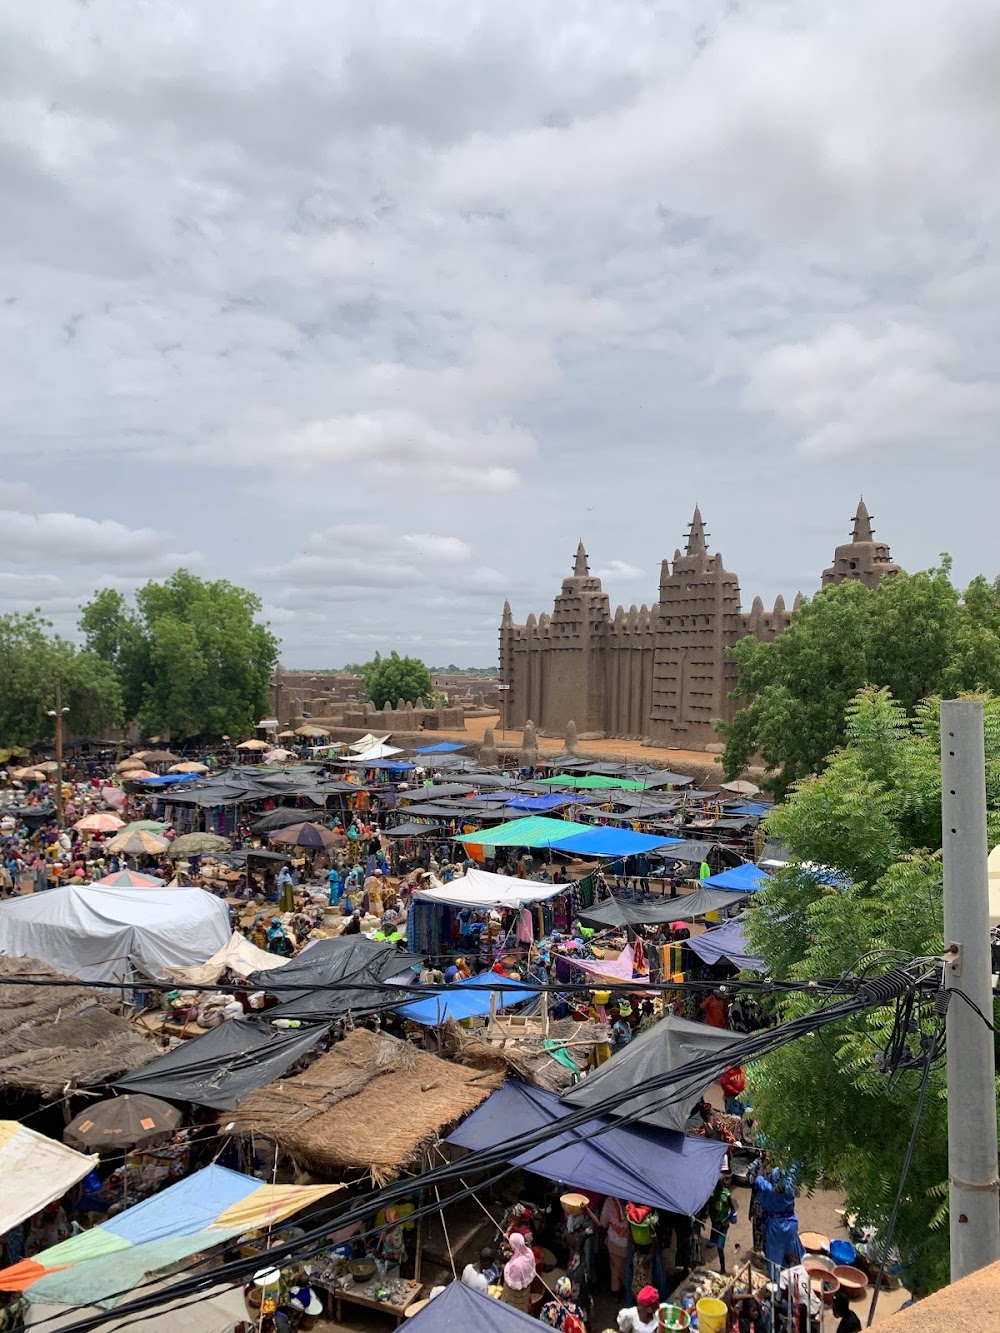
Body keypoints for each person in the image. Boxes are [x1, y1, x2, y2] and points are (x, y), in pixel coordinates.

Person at [755, 1170, 803, 1277]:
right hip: (790, 1223)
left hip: (775, 1226)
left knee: (775, 1254)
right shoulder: (790, 1188)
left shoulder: (768, 1189)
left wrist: (764, 1164)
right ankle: (794, 1275)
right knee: (791, 1251)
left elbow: (758, 1178)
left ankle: (777, 1280)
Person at [778, 1250, 820, 1326]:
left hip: (805, 1311)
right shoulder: (803, 1269)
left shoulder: (784, 1274)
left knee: (779, 1303)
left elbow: (780, 1294)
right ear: (797, 1260)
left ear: (787, 1263)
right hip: (816, 1305)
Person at [598, 1196, 630, 1298]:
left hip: (615, 1242)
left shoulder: (610, 1202)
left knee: (616, 1270)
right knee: (627, 1269)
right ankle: (626, 1293)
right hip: (629, 1243)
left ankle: (617, 1294)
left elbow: (603, 1223)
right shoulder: (634, 1200)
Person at [704, 1176, 737, 1275]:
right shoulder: (713, 1194)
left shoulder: (726, 1194)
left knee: (720, 1248)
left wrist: (726, 1219)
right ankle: (712, 1241)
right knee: (713, 1241)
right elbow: (709, 1206)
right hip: (715, 1224)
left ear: (724, 1182)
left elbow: (733, 1209)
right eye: (716, 1183)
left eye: (720, 1183)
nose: (718, 1185)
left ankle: (723, 1268)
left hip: (723, 1225)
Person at [501, 1232, 536, 1312]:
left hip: (514, 1297)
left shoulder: (516, 1266)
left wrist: (504, 1269)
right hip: (525, 1294)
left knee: (510, 1312)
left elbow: (514, 1285)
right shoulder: (529, 1253)